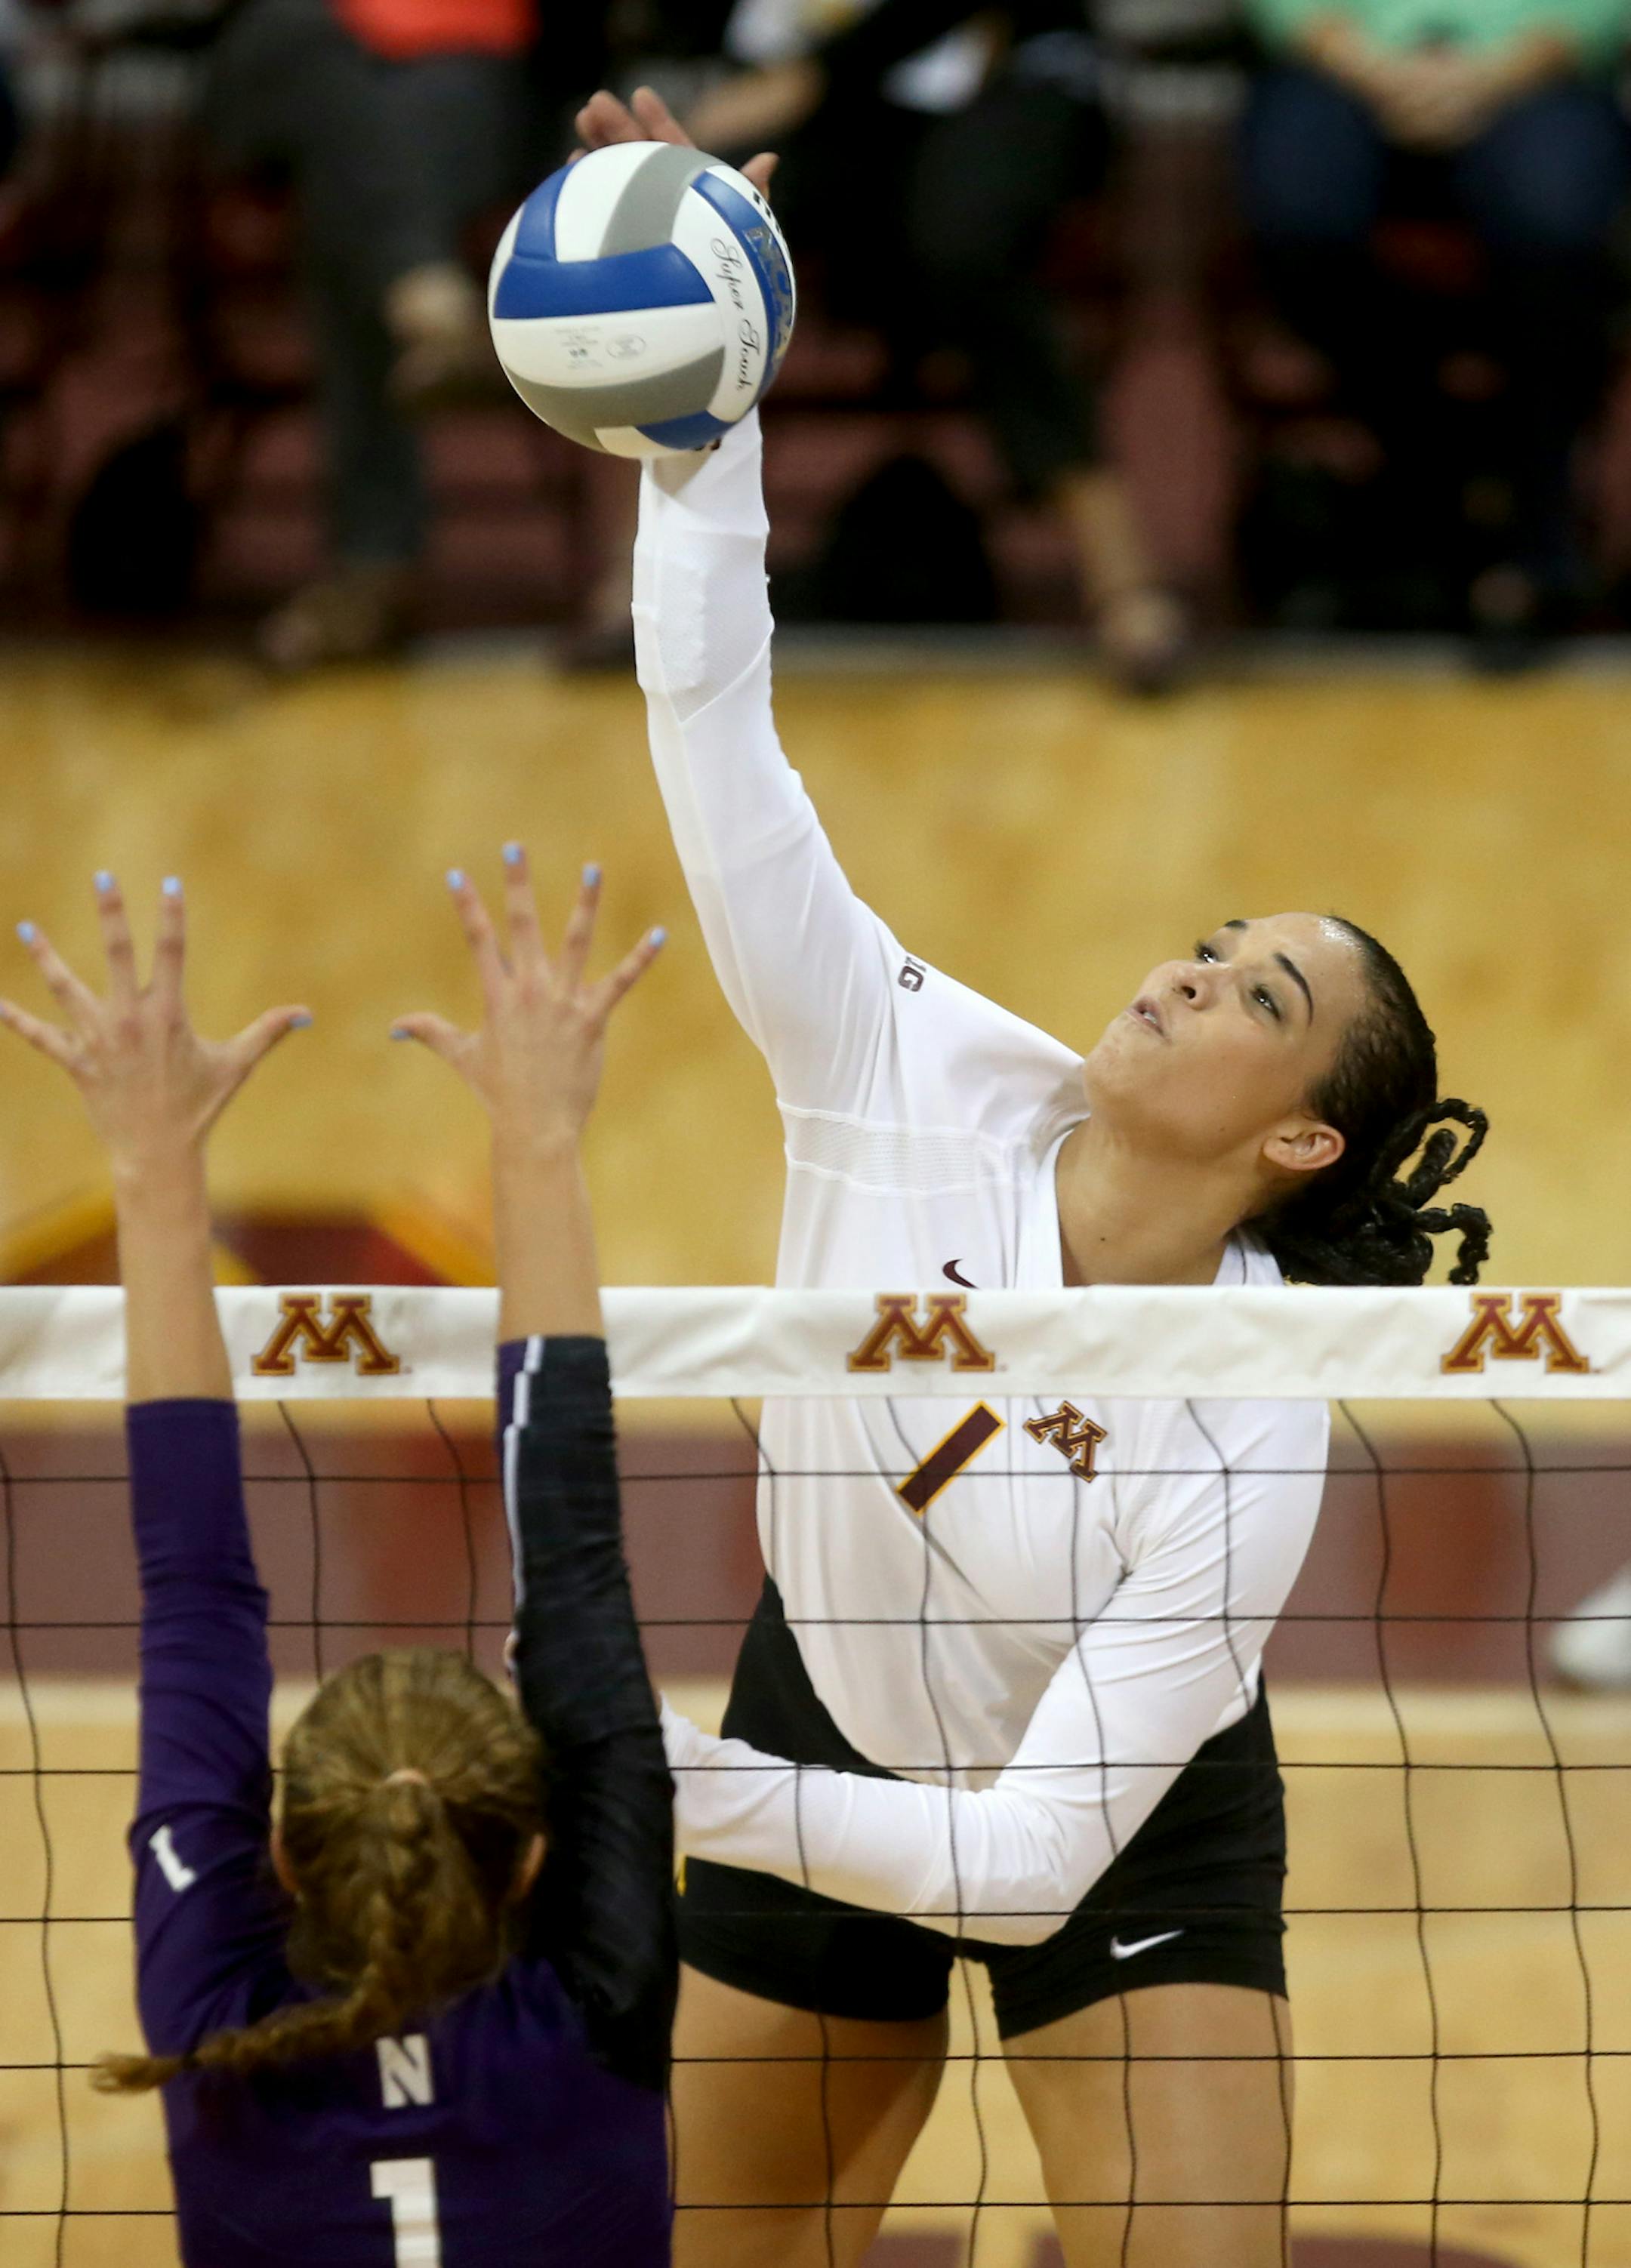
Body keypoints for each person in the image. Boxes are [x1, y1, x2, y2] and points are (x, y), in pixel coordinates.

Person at [581, 82, 1495, 2268]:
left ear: (1300, 1139)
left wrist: (640, 1771)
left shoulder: (1251, 1416)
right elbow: (721, 743)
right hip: (835, 1716)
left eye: (1257, 993)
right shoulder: (894, 1056)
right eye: (1207, 942)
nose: (1188, 976)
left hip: (1120, 1825)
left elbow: (1022, 1862)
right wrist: (703, 434)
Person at [0, 855, 673, 2265]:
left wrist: (147, 1161)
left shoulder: (220, 2021)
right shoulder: (588, 2009)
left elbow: (563, 1568)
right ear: (537, 1853)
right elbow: (207, 1586)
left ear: (285, 1865)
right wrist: (540, 1140)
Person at [678, 4, 1195, 689]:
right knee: (688, 221)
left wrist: (811, 75)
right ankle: (650, 573)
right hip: (830, 95)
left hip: (1009, 68)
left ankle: (1119, 575)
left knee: (969, 245)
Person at [1238, 0, 1631, 658]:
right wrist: (1371, 66)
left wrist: (1491, 76)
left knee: (1557, 223)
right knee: (1297, 214)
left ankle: (1534, 541)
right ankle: (1439, 472)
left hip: (1537, 67)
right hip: (1339, 63)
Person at [204, 0, 542, 670]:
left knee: (351, 177)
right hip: (288, 53)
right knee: (306, 53)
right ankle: (428, 298)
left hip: (464, 61)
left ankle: (374, 569)